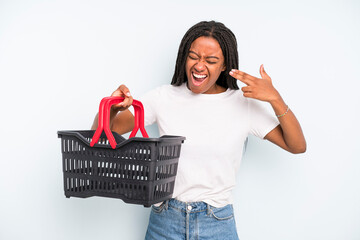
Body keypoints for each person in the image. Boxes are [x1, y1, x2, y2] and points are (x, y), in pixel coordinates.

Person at [91, 20, 306, 240]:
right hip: (165, 221)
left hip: (217, 224)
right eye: (193, 56)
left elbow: (297, 145)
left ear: (224, 65)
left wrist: (275, 99)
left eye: (211, 60)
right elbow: (102, 131)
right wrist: (113, 107)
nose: (199, 66)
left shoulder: (243, 103)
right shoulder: (164, 97)